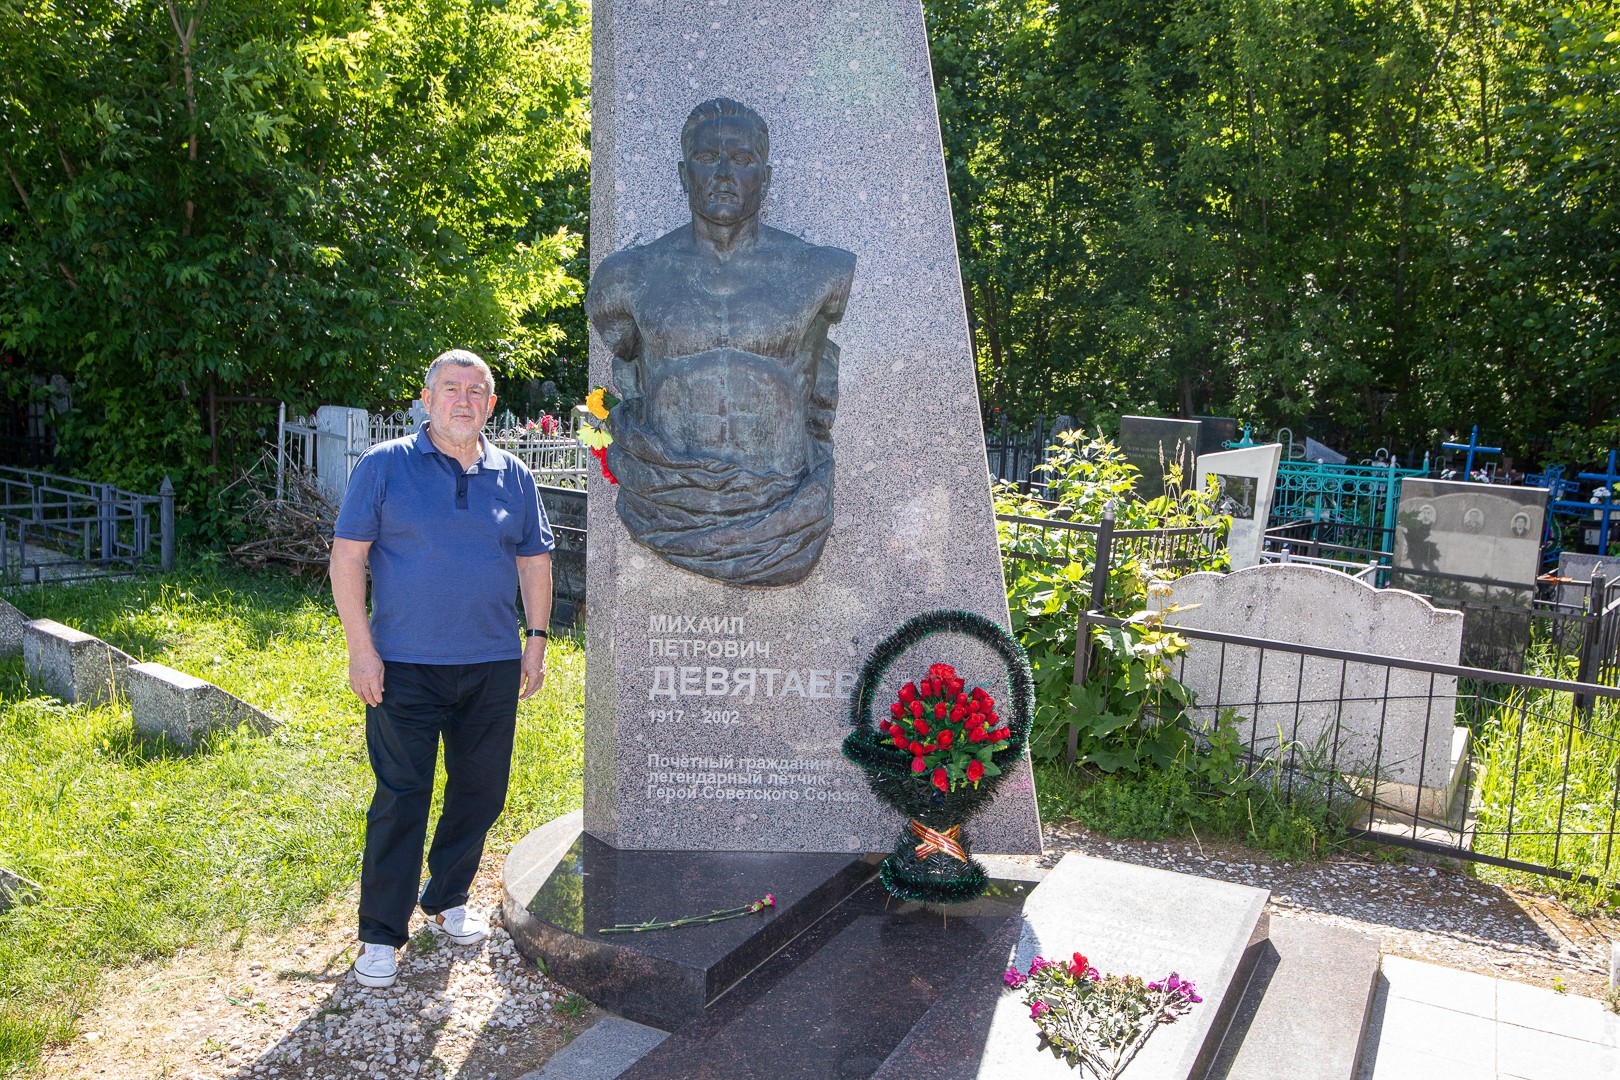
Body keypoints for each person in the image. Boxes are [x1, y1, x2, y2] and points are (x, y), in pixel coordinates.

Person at [329, 349, 554, 989]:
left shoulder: (513, 475)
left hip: (491, 663)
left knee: (481, 791)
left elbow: (535, 561)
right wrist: (361, 649)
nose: (463, 400)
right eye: (450, 388)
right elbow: (348, 559)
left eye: (476, 390)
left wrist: (535, 641)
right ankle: (380, 933)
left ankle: (448, 896)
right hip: (403, 665)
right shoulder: (384, 466)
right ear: (426, 399)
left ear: (491, 404)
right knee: (402, 795)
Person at [586, 97, 856, 587]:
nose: (725, 173)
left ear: (765, 178)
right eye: (708, 157)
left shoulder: (818, 271)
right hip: (666, 502)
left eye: (742, 159)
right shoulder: (628, 277)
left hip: (785, 511)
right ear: (683, 173)